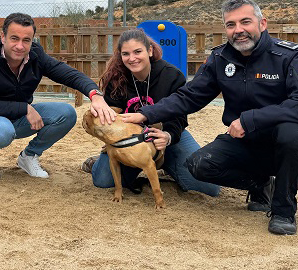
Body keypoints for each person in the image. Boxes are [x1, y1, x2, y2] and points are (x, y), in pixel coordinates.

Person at [122, 0, 298, 235]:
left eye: (245, 22)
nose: (238, 30)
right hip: (249, 142)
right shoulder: (221, 59)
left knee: (291, 133)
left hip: (297, 146)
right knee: (199, 165)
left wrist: (249, 119)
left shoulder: (290, 56)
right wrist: (146, 114)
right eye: (231, 25)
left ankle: (283, 210)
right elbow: (189, 96)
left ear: (262, 23)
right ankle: (262, 183)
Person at [0, 12, 107, 180]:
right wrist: (24, 108)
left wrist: (95, 95)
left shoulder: (36, 55)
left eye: (26, 40)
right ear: (3, 37)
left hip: (18, 118)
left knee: (66, 113)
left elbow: (68, 74)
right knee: (2, 130)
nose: (20, 46)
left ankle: (29, 156)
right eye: (14, 38)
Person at [82, 29, 220, 197]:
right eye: (126, 54)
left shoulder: (171, 75)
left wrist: (168, 136)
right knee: (103, 180)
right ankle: (97, 163)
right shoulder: (116, 79)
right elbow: (111, 117)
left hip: (165, 133)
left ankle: (166, 164)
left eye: (137, 51)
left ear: (150, 50)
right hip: (129, 140)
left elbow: (179, 115)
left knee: (208, 188)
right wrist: (111, 139)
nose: (132, 58)